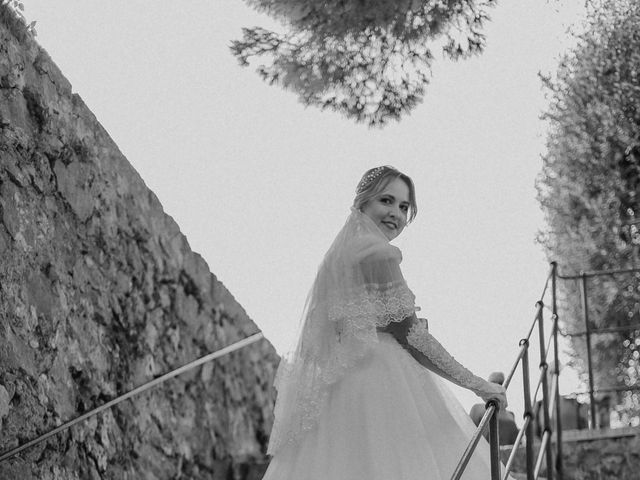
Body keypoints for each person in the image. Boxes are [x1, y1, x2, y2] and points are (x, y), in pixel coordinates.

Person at [262, 166, 510, 480]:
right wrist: (478, 385)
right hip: (383, 385)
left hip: (339, 394)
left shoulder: (336, 259)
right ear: (362, 203)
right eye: (387, 201)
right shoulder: (378, 253)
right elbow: (412, 336)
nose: (396, 213)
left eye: (404, 207)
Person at [469, 372, 519, 445]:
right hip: (484, 452)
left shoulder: (511, 415)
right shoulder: (477, 409)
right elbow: (469, 435)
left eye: (500, 383)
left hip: (503, 454)